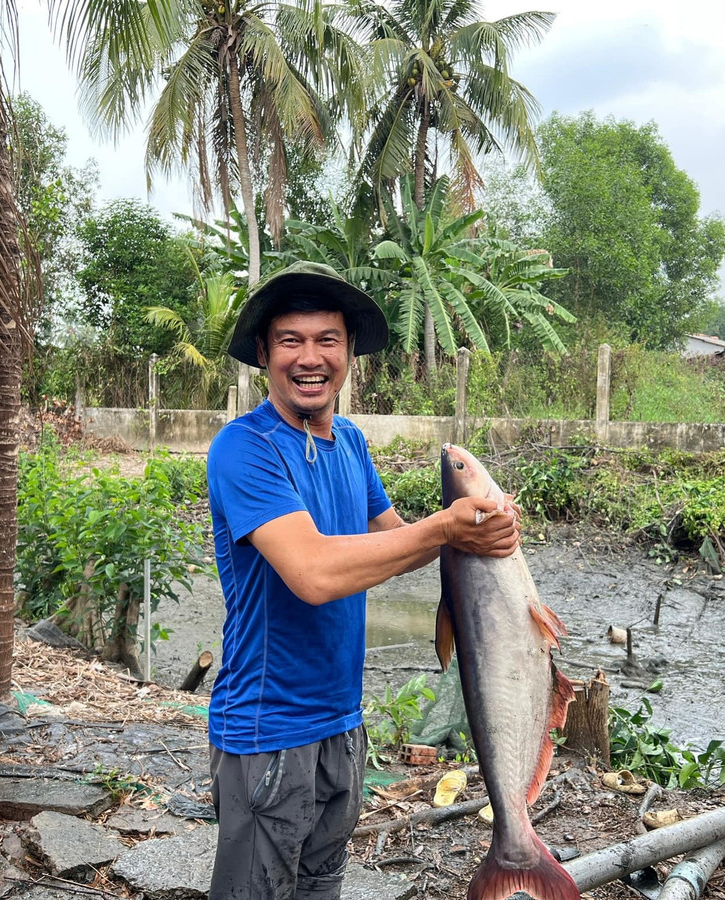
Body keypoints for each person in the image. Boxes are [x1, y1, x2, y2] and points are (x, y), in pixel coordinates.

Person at [205, 260, 520, 900]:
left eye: (328, 340)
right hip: (269, 729)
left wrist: (477, 530)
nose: (310, 358)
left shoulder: (349, 442)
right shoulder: (244, 448)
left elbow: (393, 542)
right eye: (291, 340)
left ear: (349, 353)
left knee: (322, 884)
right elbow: (314, 574)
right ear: (264, 352)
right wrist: (442, 529)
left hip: (341, 723)